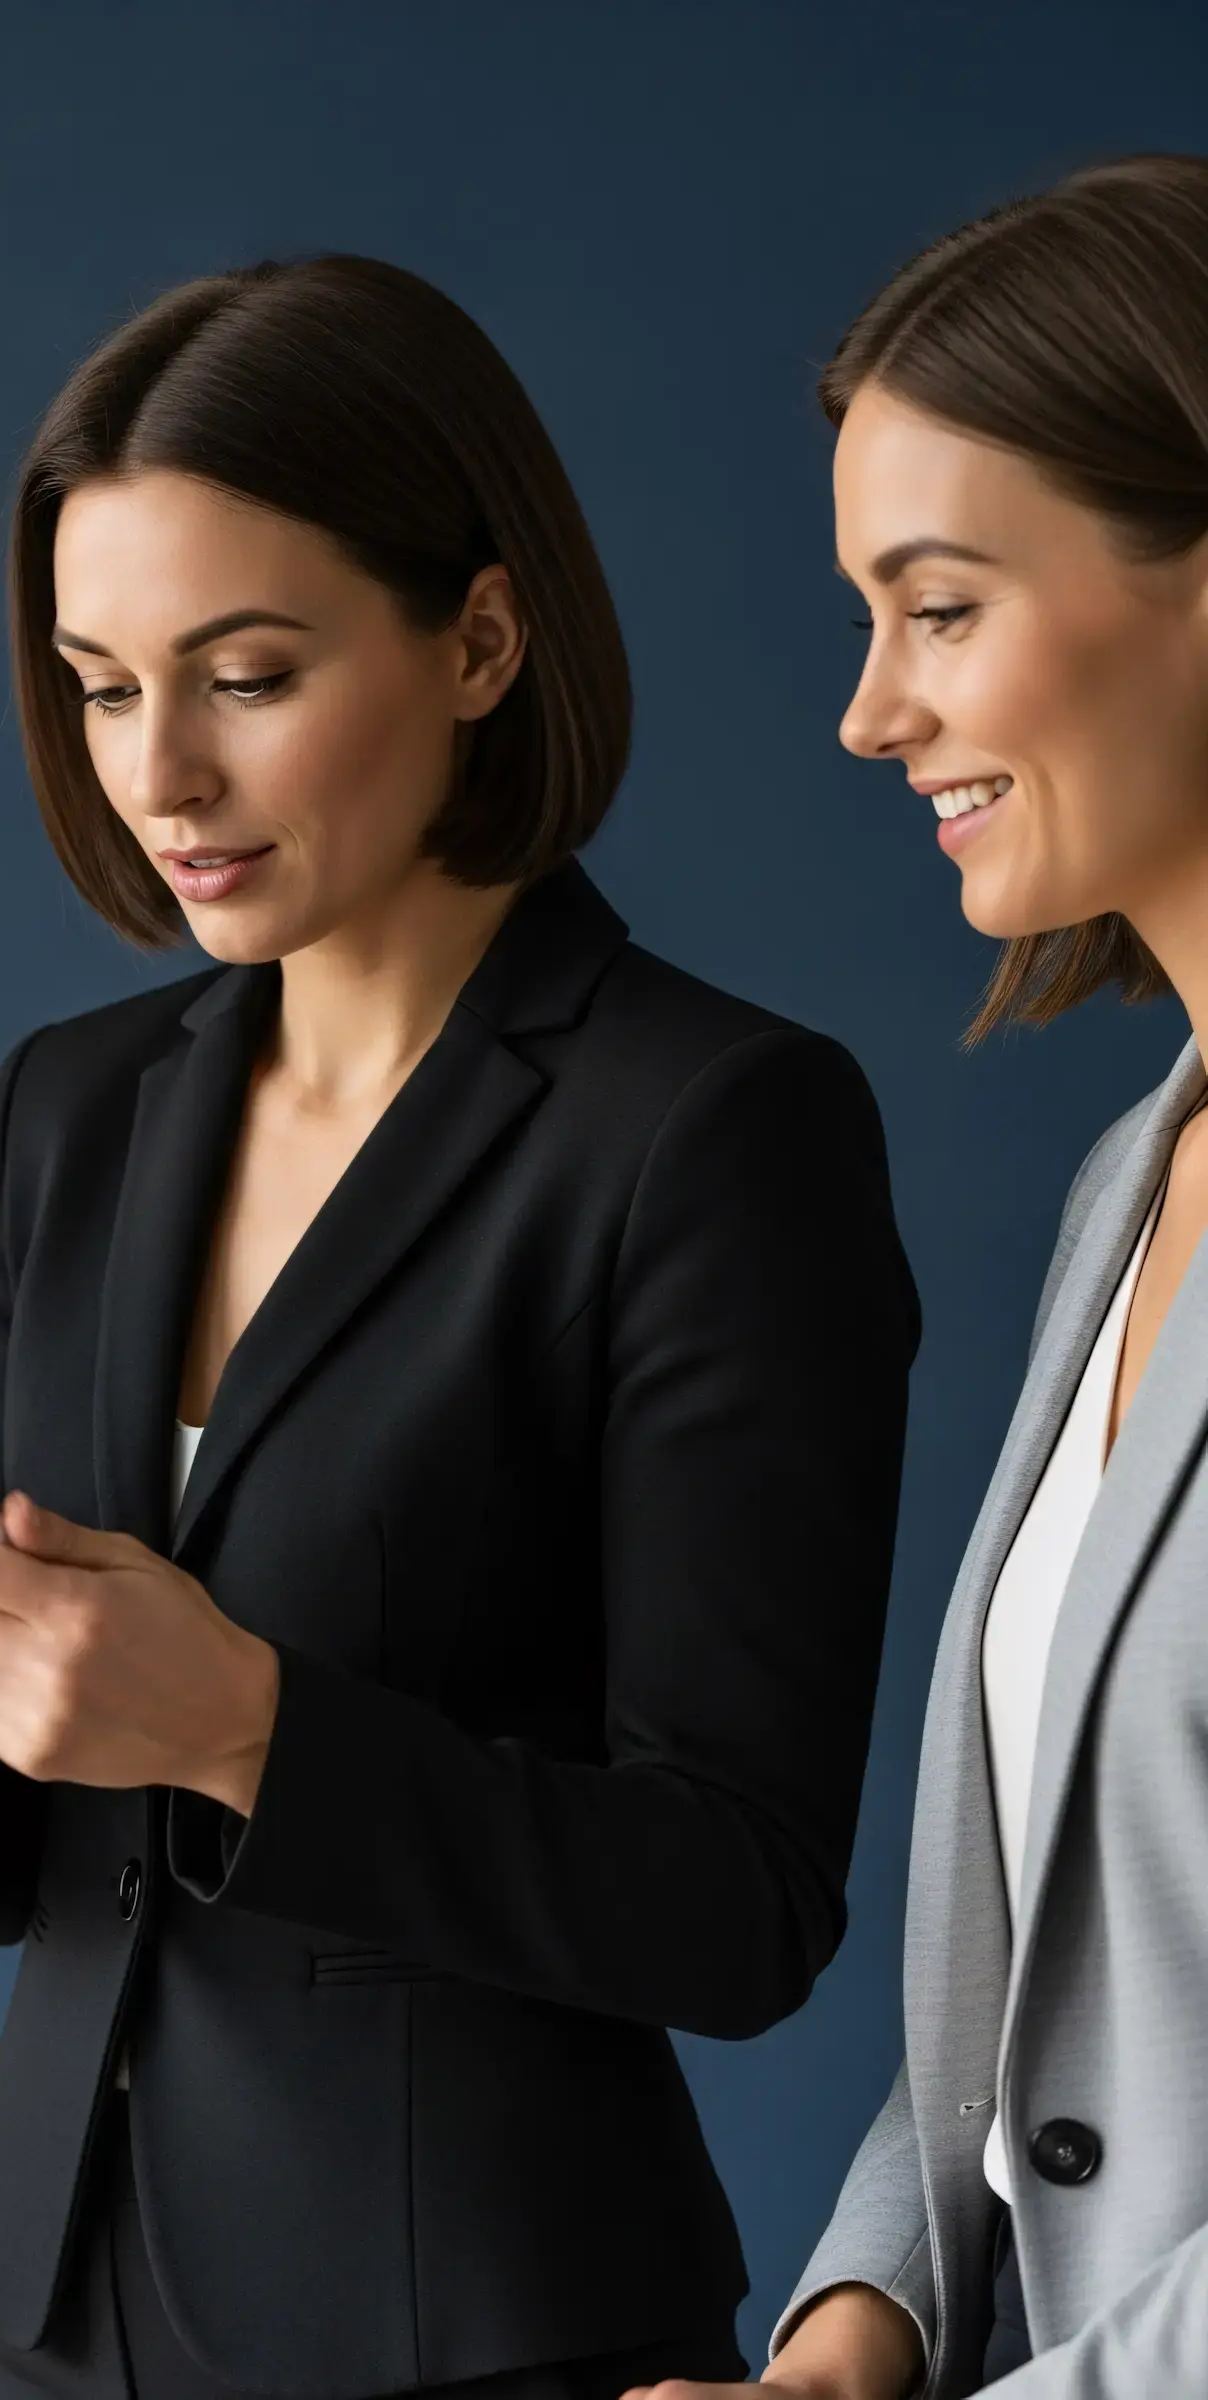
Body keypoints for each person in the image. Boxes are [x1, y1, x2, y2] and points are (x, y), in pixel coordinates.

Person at [0, 256, 918, 2400]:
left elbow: (740, 1904)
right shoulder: (75, 1106)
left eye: (249, 673)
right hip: (46, 2317)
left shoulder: (715, 1128)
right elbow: (49, 1857)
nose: (162, 773)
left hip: (475, 2333)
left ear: (481, 640)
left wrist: (247, 1725)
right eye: (103, 686)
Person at [647, 155, 1208, 2400]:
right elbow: (1070, 1969)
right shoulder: (1130, 1183)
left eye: (942, 606)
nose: (874, 712)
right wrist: (855, 2337)